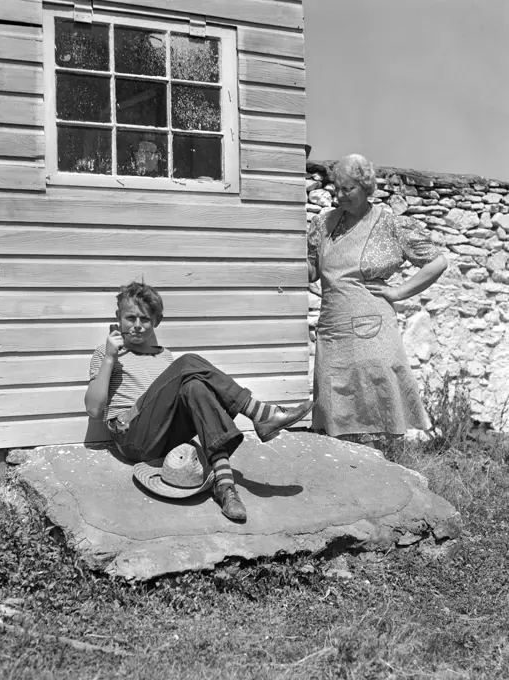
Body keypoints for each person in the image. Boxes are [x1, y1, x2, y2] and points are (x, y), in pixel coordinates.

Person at [85, 281, 313, 523]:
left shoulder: (165, 357)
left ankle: (225, 487)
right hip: (130, 437)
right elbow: (93, 408)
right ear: (118, 318)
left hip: (162, 441)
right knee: (189, 362)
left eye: (145, 319)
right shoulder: (106, 353)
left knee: (195, 387)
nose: (138, 326)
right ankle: (260, 413)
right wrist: (110, 356)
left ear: (156, 322)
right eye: (130, 318)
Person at [307, 154, 448, 450]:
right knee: (333, 411)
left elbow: (437, 262)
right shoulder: (324, 224)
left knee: (374, 408)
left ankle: (386, 480)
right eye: (337, 187)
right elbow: (312, 272)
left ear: (365, 187)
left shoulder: (388, 223)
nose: (339, 195)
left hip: (373, 332)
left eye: (348, 189)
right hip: (332, 333)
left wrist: (398, 293)